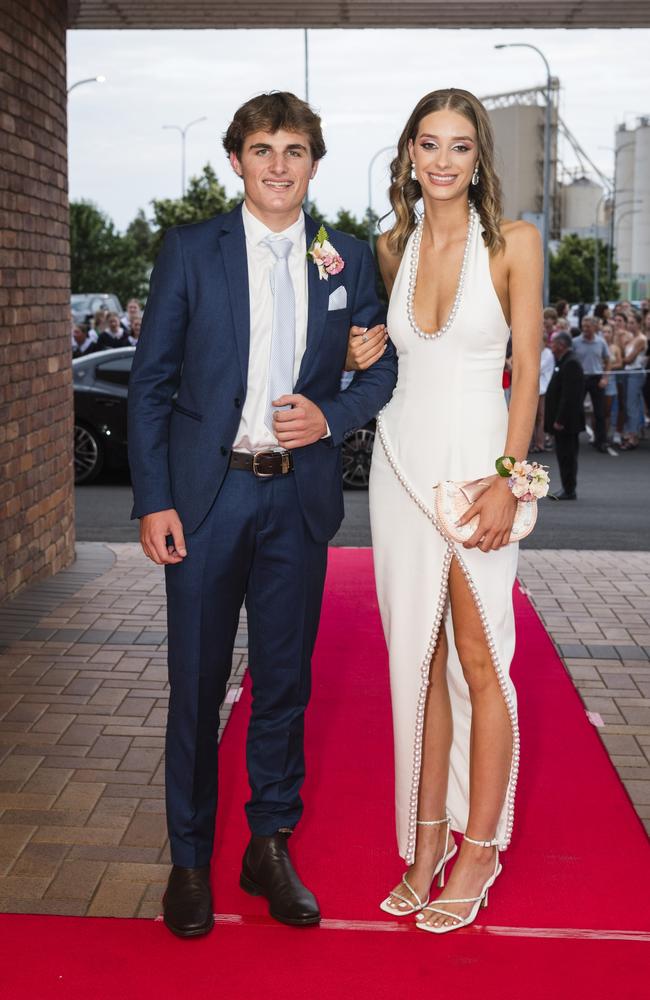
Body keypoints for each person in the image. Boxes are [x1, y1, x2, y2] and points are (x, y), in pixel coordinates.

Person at [127, 91, 397, 940]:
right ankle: (190, 858)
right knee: (197, 688)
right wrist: (154, 499)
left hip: (299, 498)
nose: (278, 165)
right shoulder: (190, 251)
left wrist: (333, 416)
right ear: (236, 159)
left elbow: (382, 372)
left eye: (294, 150)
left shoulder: (346, 258)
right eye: (262, 149)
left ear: (314, 163)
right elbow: (152, 383)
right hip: (206, 501)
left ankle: (269, 845)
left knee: (284, 685)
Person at [367, 88, 541, 933]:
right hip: (399, 467)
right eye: (428, 143)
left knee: (483, 658)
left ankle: (481, 849)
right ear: (409, 153)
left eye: (460, 146)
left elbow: (530, 370)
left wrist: (510, 476)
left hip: (478, 476)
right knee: (418, 662)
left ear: (480, 159)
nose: (442, 160)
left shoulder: (515, 243)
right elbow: (390, 364)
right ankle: (425, 840)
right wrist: (362, 345)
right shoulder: (389, 247)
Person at [544, 332, 585, 499]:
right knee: (563, 455)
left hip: (567, 423)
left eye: (553, 343)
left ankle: (569, 489)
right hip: (564, 422)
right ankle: (566, 487)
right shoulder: (564, 360)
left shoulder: (571, 363)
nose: (551, 346)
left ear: (561, 345)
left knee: (567, 456)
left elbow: (569, 396)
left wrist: (560, 419)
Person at [572, 315, 610, 452]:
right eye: (584, 326)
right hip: (580, 378)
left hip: (596, 378)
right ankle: (572, 439)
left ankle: (601, 441)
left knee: (599, 412)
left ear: (594, 327)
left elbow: (608, 360)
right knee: (576, 409)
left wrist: (605, 378)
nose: (585, 329)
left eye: (588, 326)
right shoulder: (575, 342)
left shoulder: (601, 342)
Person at [621, 312, 648, 450]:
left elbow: (630, 359)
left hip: (635, 373)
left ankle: (633, 436)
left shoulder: (641, 339)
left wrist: (617, 362)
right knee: (629, 404)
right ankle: (632, 432)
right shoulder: (630, 338)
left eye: (632, 323)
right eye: (629, 322)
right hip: (627, 372)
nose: (629, 325)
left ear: (639, 324)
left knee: (632, 405)